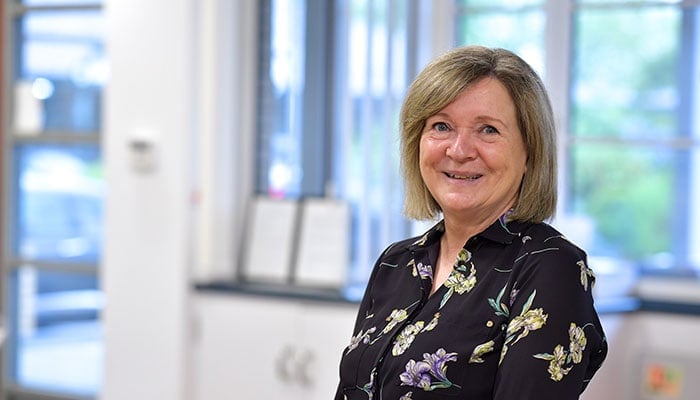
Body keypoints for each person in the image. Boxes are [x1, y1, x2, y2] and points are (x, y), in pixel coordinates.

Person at [334, 46, 607, 400]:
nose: (459, 150)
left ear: (529, 152)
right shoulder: (396, 263)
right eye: (441, 126)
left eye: (488, 130)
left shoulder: (550, 267)